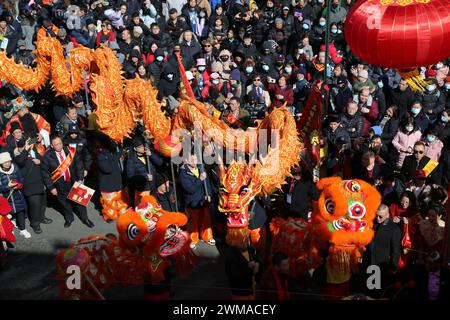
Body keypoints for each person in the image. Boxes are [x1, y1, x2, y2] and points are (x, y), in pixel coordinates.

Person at [40, 135, 94, 229]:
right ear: (52, 146)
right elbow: (45, 174)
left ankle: (85, 219)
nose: (59, 146)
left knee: (79, 202)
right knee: (65, 203)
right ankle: (69, 218)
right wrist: (51, 188)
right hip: (60, 184)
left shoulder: (71, 151)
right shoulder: (47, 157)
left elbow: (79, 165)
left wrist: (81, 178)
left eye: (60, 143)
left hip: (74, 181)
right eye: (56, 144)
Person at [13, 138, 52, 234]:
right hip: (30, 185)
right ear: (20, 148)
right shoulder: (18, 156)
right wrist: (25, 150)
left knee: (42, 203)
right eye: (23, 146)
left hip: (40, 182)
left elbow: (42, 160)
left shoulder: (33, 152)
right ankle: (35, 224)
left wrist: (40, 161)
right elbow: (20, 162)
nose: (28, 147)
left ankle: (42, 217)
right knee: (34, 205)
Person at [179, 151, 215, 249]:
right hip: (192, 202)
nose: (195, 161)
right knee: (193, 223)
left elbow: (207, 182)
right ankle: (192, 240)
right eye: (192, 159)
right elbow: (190, 189)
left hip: (203, 200)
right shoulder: (183, 173)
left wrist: (209, 194)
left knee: (206, 219)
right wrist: (200, 179)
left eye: (196, 159)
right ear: (186, 160)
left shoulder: (201, 168)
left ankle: (207, 236)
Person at [97, 135, 128, 222]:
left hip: (116, 181)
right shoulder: (101, 155)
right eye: (110, 142)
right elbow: (107, 169)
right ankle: (110, 216)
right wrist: (115, 158)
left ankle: (121, 213)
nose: (112, 144)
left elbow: (118, 154)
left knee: (119, 199)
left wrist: (120, 146)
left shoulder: (112, 152)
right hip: (107, 184)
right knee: (109, 202)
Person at [365, 204, 401, 276]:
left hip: (381, 266)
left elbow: (395, 251)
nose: (378, 218)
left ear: (387, 215)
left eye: (380, 216)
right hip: (367, 262)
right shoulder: (371, 223)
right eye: (376, 215)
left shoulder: (394, 229)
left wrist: (393, 267)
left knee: (377, 286)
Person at [0, 152, 30, 238]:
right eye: (5, 162)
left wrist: (20, 184)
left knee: (20, 212)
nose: (7, 163)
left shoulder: (15, 167)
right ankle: (9, 230)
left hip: (18, 195)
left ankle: (23, 229)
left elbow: (21, 179)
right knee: (8, 215)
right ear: (1, 163)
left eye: (9, 161)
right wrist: (7, 186)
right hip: (6, 198)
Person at [126, 136, 164, 204]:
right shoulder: (131, 160)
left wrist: (151, 155)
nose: (143, 148)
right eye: (140, 147)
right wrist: (145, 177)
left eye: (143, 145)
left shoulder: (148, 154)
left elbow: (160, 163)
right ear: (135, 149)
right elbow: (130, 176)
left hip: (154, 187)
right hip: (143, 190)